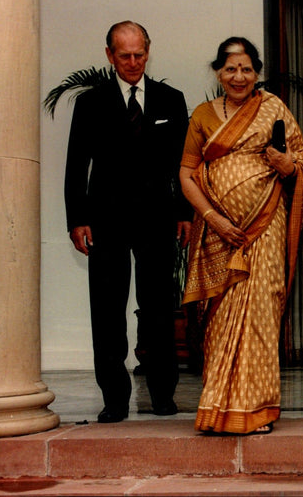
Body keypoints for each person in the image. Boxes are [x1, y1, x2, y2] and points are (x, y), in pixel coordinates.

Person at [180, 37, 303, 435]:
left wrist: (287, 165)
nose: (239, 77)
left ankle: (256, 408)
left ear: (257, 73)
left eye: (247, 69)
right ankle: (217, 407)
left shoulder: (273, 108)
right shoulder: (204, 114)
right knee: (221, 318)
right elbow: (187, 173)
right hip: (217, 232)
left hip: (266, 226)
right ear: (218, 72)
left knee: (260, 311)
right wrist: (213, 218)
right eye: (230, 69)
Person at [64, 21, 191, 423]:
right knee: (107, 310)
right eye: (124, 56)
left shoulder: (171, 99)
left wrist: (185, 214)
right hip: (105, 221)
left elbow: (183, 165)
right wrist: (77, 218)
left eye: (139, 54)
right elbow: (75, 165)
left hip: (159, 221)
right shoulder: (90, 102)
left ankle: (163, 394)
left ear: (148, 51)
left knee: (158, 309)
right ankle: (114, 398)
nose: (133, 62)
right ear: (109, 56)